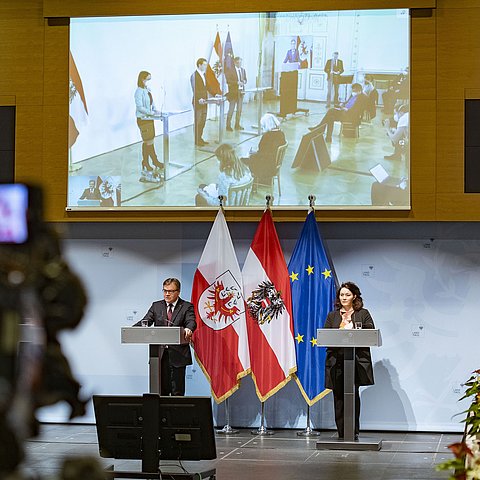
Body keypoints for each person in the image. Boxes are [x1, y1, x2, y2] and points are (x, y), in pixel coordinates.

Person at [324, 282, 375, 440]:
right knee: (338, 397)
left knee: (353, 396)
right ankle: (341, 433)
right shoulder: (332, 316)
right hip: (336, 362)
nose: (344, 297)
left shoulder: (363, 313)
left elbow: (370, 333)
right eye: (341, 295)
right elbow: (325, 336)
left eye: (347, 294)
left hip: (355, 362)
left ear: (354, 296)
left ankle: (353, 431)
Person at [134, 278, 196, 396]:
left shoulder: (186, 306)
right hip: (159, 355)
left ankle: (176, 414)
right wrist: (133, 330)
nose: (167, 294)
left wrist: (188, 329)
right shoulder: (156, 306)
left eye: (171, 291)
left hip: (178, 355)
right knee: (160, 391)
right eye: (165, 290)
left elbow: (191, 321)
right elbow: (146, 321)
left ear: (178, 292)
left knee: (177, 391)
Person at [134, 71, 164, 184]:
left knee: (150, 140)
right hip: (143, 119)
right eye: (147, 79)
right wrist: (150, 112)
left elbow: (152, 103)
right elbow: (140, 107)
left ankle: (150, 161)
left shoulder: (146, 90)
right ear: (142, 79)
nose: (147, 82)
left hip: (149, 118)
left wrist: (156, 110)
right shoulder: (138, 91)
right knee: (148, 140)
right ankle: (149, 161)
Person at [243, 113, 286, 187]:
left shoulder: (267, 136)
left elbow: (262, 152)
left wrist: (252, 155)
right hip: (275, 163)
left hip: (267, 164)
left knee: (242, 160)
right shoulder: (281, 134)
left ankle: (248, 183)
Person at [190, 58, 216, 147]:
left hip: (205, 101)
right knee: (198, 121)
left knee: (203, 121)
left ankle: (200, 138)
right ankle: (196, 140)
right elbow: (195, 89)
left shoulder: (203, 75)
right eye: (204, 65)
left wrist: (214, 94)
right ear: (199, 65)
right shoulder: (194, 75)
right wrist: (199, 99)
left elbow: (207, 86)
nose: (205, 66)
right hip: (198, 102)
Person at [225, 56, 247, 131]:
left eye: (240, 62)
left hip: (241, 93)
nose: (239, 64)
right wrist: (237, 83)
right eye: (238, 63)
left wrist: (244, 82)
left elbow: (245, 79)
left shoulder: (243, 70)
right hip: (233, 93)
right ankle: (228, 125)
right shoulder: (230, 70)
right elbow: (228, 81)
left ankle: (237, 124)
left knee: (239, 110)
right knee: (231, 109)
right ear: (234, 62)